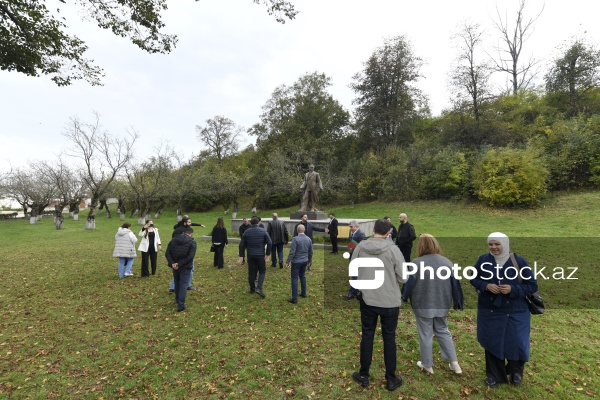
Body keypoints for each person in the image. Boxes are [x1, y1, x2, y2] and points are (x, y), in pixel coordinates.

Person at [470, 232, 538, 388]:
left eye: (497, 244)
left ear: (505, 244)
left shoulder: (518, 261)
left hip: (516, 309)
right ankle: (494, 375)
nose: (493, 247)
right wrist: (485, 286)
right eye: (490, 244)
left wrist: (512, 289)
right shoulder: (483, 260)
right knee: (492, 341)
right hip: (491, 310)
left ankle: (516, 372)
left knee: (517, 342)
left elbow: (532, 285)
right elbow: (473, 278)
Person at [351, 219, 405, 391]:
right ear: (389, 232)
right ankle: (390, 378)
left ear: (373, 229)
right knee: (389, 338)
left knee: (367, 336)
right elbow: (404, 277)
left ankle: (364, 374)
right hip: (389, 301)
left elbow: (353, 270)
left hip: (368, 299)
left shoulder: (360, 247)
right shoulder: (393, 250)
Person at [401, 234, 462, 375]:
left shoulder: (416, 263)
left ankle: (427, 364)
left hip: (423, 304)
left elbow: (408, 284)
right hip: (442, 303)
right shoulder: (447, 262)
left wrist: (403, 296)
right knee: (443, 331)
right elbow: (455, 285)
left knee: (426, 334)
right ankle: (454, 363)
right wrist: (457, 301)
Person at [238, 216, 272, 298]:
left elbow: (241, 245)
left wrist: (241, 256)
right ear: (258, 223)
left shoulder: (246, 232)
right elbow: (270, 242)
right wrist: (267, 254)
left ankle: (252, 289)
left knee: (251, 272)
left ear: (250, 223)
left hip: (251, 255)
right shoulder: (263, 231)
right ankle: (259, 288)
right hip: (260, 255)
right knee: (262, 271)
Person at [165, 227, 197, 312]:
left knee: (177, 282)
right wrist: (177, 264)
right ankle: (181, 304)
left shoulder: (173, 241)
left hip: (176, 265)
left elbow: (167, 253)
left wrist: (173, 263)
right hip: (185, 266)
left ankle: (178, 299)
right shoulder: (192, 242)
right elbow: (190, 256)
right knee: (183, 284)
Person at [169, 217, 202, 292]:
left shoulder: (179, 230)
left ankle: (174, 287)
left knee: (179, 270)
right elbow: (174, 243)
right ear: (184, 223)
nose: (190, 224)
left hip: (181, 254)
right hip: (183, 255)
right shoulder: (179, 231)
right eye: (189, 222)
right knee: (186, 269)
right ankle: (182, 286)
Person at [285, 224, 313, 304]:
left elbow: (292, 252)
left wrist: (288, 261)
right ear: (304, 230)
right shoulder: (308, 239)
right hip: (305, 260)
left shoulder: (295, 239)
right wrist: (309, 261)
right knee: (303, 276)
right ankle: (303, 293)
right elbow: (311, 252)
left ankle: (294, 298)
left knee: (294, 278)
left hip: (296, 262)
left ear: (297, 231)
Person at [344, 220, 367, 299]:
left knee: (355, 275)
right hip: (353, 256)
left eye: (351, 227)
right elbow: (353, 243)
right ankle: (357, 291)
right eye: (349, 227)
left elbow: (363, 246)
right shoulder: (354, 233)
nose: (350, 228)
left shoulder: (361, 234)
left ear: (356, 226)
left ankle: (352, 292)